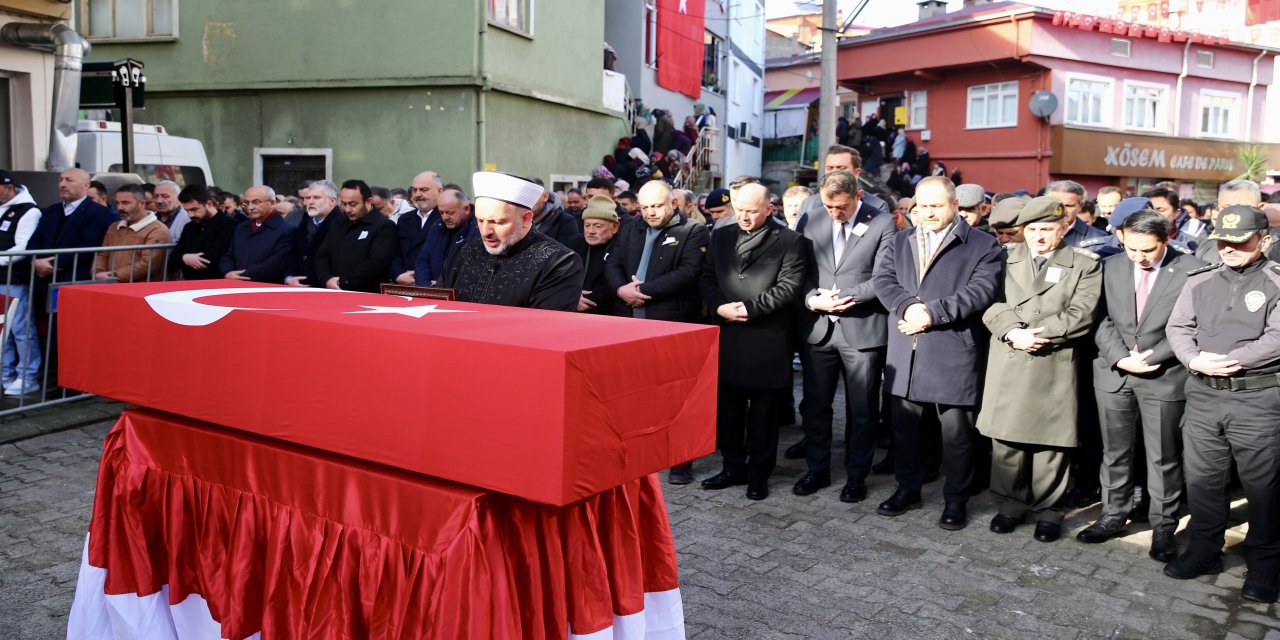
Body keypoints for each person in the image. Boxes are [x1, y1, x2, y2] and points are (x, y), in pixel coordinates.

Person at [872, 176, 1004, 529]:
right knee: (905, 430)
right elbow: (883, 280)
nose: (927, 213)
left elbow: (982, 291)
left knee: (957, 436)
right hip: (906, 348)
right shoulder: (900, 241)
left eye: (936, 205)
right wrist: (907, 307)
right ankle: (907, 489)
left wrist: (932, 313)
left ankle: (957, 499)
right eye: (922, 206)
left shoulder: (983, 245)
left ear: (954, 205)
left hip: (952, 348)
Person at [1164, 204, 1280, 604]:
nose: (1228, 248)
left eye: (1239, 241)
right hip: (1202, 394)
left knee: (1263, 487)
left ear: (1264, 240)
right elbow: (1178, 326)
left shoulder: (1276, 281)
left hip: (1257, 398)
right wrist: (1193, 358)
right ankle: (1204, 551)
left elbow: (1277, 337)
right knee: (1203, 480)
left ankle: (1264, 564)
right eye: (1222, 241)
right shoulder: (1200, 280)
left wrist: (1234, 361)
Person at [1076, 210, 1205, 561]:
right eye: (1131, 248)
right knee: (1115, 451)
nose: (1139, 257)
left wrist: (1153, 357)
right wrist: (1119, 357)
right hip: (1115, 373)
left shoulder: (1191, 269)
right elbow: (1098, 317)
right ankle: (1113, 515)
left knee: (1163, 455)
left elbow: (1192, 325)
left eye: (1147, 250)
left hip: (1164, 375)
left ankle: (1163, 525)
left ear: (1167, 239)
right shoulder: (1111, 266)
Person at [977, 196, 1102, 542]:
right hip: (1010, 352)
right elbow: (988, 300)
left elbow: (1082, 314)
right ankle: (1008, 505)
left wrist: (1038, 335)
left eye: (1047, 229)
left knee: (1051, 443)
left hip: (1052, 358)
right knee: (1007, 438)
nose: (1039, 237)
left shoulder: (1084, 264)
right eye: (1032, 229)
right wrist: (1013, 332)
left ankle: (1049, 510)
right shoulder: (1004, 257)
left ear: (1063, 228)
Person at [791, 170, 898, 502]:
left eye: (841, 207)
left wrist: (844, 296)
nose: (834, 213)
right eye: (828, 205)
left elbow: (885, 275)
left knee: (863, 409)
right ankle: (817, 470)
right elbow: (798, 269)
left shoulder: (883, 223)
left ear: (857, 197)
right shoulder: (810, 219)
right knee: (816, 406)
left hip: (862, 329)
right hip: (819, 329)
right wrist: (811, 298)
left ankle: (856, 475)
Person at [699, 183, 807, 500]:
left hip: (767, 340)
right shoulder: (720, 235)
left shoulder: (790, 241)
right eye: (740, 210)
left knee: (764, 417)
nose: (744, 217)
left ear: (768, 209)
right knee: (728, 412)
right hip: (728, 336)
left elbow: (789, 287)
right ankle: (733, 467)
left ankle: (759, 474)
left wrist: (749, 308)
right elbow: (707, 276)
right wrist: (719, 306)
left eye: (751, 211)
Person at [605, 179, 709, 484]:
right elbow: (612, 262)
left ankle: (680, 461)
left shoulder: (692, 231)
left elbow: (689, 273)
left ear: (673, 204)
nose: (650, 212)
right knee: (633, 394)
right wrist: (621, 290)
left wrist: (643, 291)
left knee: (675, 396)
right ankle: (638, 453)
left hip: (670, 324)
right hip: (627, 322)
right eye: (645, 206)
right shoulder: (629, 227)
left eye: (657, 206)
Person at [439, 172, 584, 311]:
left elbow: (544, 328)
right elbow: (437, 304)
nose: (485, 231)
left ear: (526, 219)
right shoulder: (463, 251)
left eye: (497, 222)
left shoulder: (559, 264)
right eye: (480, 220)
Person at [29, 168, 115, 284]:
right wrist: (35, 261)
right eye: (60, 180)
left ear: (86, 185)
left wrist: (49, 265)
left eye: (69, 180)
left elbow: (87, 247)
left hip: (74, 280)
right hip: (42, 280)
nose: (62, 184)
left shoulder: (99, 212)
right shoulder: (50, 211)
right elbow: (34, 240)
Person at [0, 171, 43, 396]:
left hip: (15, 279)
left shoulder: (29, 211)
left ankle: (28, 376)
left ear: (9, 187)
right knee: (2, 331)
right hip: (3, 278)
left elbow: (23, 248)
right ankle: (5, 373)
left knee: (21, 330)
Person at [314, 179, 397, 293]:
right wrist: (326, 278)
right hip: (332, 290)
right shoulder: (338, 223)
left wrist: (343, 281)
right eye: (343, 204)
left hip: (366, 294)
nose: (347, 209)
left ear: (368, 201)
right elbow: (322, 255)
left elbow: (377, 262)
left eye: (353, 204)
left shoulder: (384, 226)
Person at [93, 184, 173, 283]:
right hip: (111, 285)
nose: (120, 207)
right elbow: (102, 254)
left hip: (140, 289)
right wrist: (98, 273)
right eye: (117, 203)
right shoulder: (114, 227)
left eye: (125, 203)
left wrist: (113, 275)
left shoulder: (158, 230)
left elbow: (148, 264)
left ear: (142, 204)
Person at [220, 185, 296, 283]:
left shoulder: (287, 229)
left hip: (265, 287)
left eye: (256, 202)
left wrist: (242, 275)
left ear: (272, 203)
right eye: (246, 203)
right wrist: (227, 272)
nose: (250, 207)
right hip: (235, 284)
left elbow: (275, 263)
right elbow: (228, 255)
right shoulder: (241, 227)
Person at [170, 185, 236, 281]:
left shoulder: (229, 225)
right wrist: (185, 258)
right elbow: (173, 259)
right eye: (187, 210)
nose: (190, 215)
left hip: (215, 282)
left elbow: (211, 259)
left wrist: (184, 257)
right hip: (190, 282)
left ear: (209, 204)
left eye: (194, 209)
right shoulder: (189, 227)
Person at [414, 188, 477, 286]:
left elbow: (472, 270)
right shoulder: (437, 226)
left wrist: (440, 286)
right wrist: (425, 287)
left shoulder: (479, 230)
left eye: (450, 213)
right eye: (441, 212)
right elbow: (423, 260)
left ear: (466, 209)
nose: (445, 218)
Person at [284, 180, 340, 287]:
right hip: (298, 288)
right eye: (308, 198)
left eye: (316, 198)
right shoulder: (304, 224)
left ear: (332, 201)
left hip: (326, 289)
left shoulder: (343, 224)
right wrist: (289, 277)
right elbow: (292, 254)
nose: (309, 202)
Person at [390, 172, 442, 285]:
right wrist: (398, 274)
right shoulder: (404, 220)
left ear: (439, 191)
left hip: (433, 286)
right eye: (414, 190)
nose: (418, 194)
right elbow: (394, 252)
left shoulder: (446, 219)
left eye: (424, 190)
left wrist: (440, 282)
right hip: (405, 285)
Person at [576, 195, 624, 315]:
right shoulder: (573, 243)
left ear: (614, 227)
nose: (591, 231)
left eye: (598, 226)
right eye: (587, 225)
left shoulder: (625, 247)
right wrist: (571, 296)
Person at [1197, 179, 1262, 264]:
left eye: (1242, 207)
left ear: (1260, 208)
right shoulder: (1206, 244)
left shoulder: (1275, 247)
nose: (1234, 213)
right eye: (1227, 208)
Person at [1046, 180, 1107, 250]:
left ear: (1080, 206)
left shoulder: (1098, 237)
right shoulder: (1032, 233)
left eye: (1068, 205)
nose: (1062, 210)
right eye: (1056, 205)